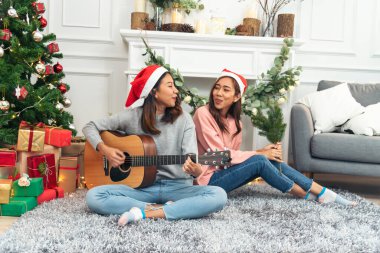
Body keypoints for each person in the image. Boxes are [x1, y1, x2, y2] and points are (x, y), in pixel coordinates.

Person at [185, 69, 355, 206]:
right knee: (260, 159)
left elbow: (233, 158)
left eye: (225, 89)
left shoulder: (235, 123)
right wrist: (258, 152)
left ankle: (321, 192)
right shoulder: (203, 113)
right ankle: (307, 194)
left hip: (224, 176)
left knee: (269, 159)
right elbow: (218, 156)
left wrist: (263, 153)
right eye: (217, 87)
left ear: (237, 97)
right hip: (206, 181)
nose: (218, 93)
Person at [83, 65, 227, 226]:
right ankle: (165, 209)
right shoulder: (132, 116)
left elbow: (193, 161)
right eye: (170, 86)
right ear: (154, 91)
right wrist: (105, 149)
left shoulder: (184, 119)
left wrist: (196, 170)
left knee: (219, 195)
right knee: (93, 196)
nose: (176, 91)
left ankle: (143, 213)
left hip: (178, 187)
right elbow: (90, 126)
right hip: (141, 188)